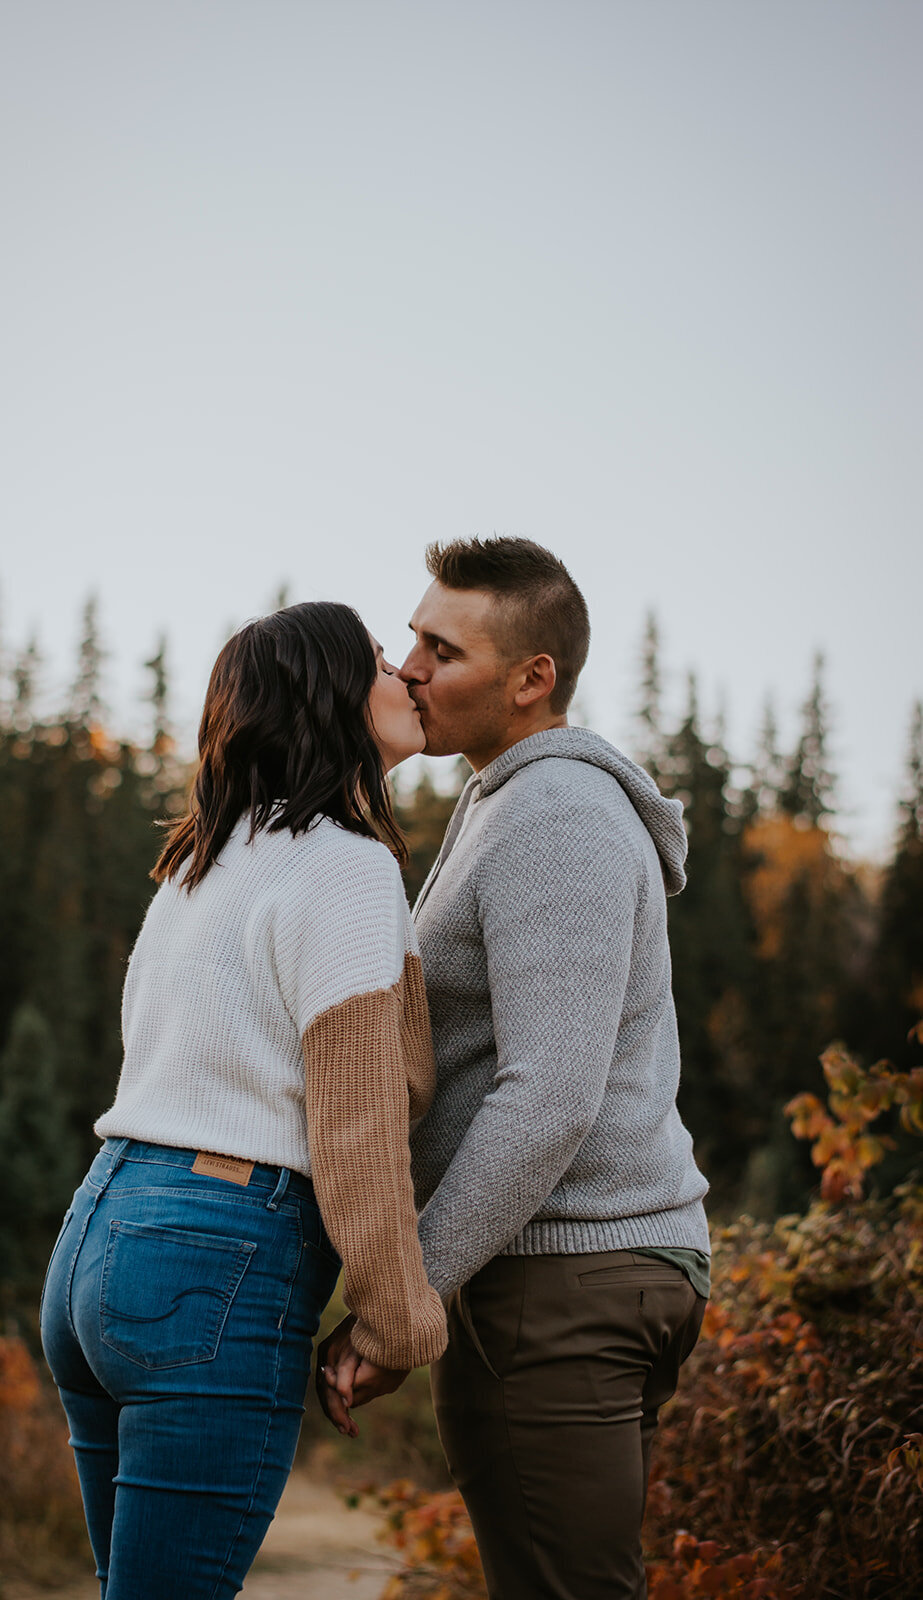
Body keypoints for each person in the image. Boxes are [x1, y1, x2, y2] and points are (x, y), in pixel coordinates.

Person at [319, 538, 710, 1600]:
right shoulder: (507, 801)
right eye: (410, 638)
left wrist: (411, 1296)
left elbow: (546, 1096)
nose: (406, 666)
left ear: (531, 676)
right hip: (565, 1268)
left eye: (440, 649)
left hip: (560, 1276)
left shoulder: (554, 814)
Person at [39, 600, 447, 1600]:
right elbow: (355, 1130)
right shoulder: (346, 866)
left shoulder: (201, 862)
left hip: (98, 1232)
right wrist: (397, 1322)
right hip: (216, 1257)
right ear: (334, 698)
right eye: (385, 665)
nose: (409, 679)